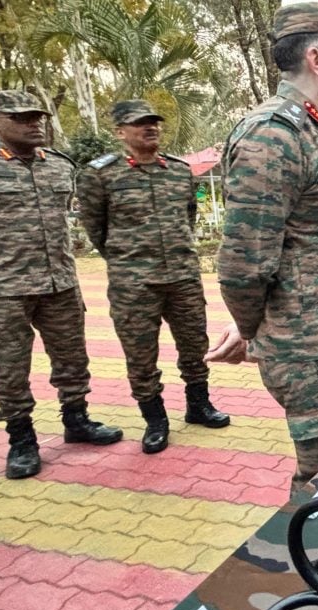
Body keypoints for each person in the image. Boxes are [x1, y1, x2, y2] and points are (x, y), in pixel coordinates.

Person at [210, 2, 318, 499]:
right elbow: (244, 266)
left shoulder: (310, 129)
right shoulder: (275, 133)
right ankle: (305, 550)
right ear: (317, 59)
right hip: (316, 358)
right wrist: (254, 331)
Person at [0, 90, 122, 480]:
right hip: (1, 288)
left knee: (72, 359)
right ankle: (21, 439)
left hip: (59, 282)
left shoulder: (59, 165)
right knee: (10, 367)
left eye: (37, 117)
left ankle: (77, 419)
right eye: (21, 118)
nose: (34, 124)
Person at [77, 99, 230, 455]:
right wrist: (127, 260)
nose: (150, 128)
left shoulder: (178, 171)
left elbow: (189, 216)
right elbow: (96, 228)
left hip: (182, 277)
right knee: (141, 355)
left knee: (195, 345)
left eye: (154, 122)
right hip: (134, 283)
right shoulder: (100, 174)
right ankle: (155, 420)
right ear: (120, 132)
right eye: (140, 123)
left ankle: (198, 405)